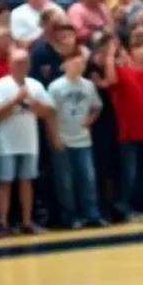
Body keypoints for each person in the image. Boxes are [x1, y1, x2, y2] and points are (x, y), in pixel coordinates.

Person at [0, 46, 54, 234]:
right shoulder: (0, 85)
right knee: (5, 182)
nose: (22, 66)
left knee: (27, 181)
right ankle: (2, 222)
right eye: (18, 62)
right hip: (6, 142)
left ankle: (27, 221)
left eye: (25, 62)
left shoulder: (35, 85)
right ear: (10, 64)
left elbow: (47, 112)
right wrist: (16, 99)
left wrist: (35, 103)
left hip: (29, 141)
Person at [48, 48, 105, 229]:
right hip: (63, 139)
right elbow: (49, 114)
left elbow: (97, 106)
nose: (79, 66)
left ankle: (92, 214)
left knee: (88, 178)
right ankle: (70, 217)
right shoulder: (56, 86)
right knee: (66, 181)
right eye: (75, 62)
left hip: (83, 139)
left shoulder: (88, 85)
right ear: (65, 65)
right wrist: (54, 137)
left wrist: (90, 120)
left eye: (82, 63)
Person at [105, 32, 143, 221]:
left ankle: (141, 207)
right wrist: (111, 55)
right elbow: (110, 80)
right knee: (130, 173)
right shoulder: (121, 72)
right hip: (128, 132)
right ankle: (126, 209)